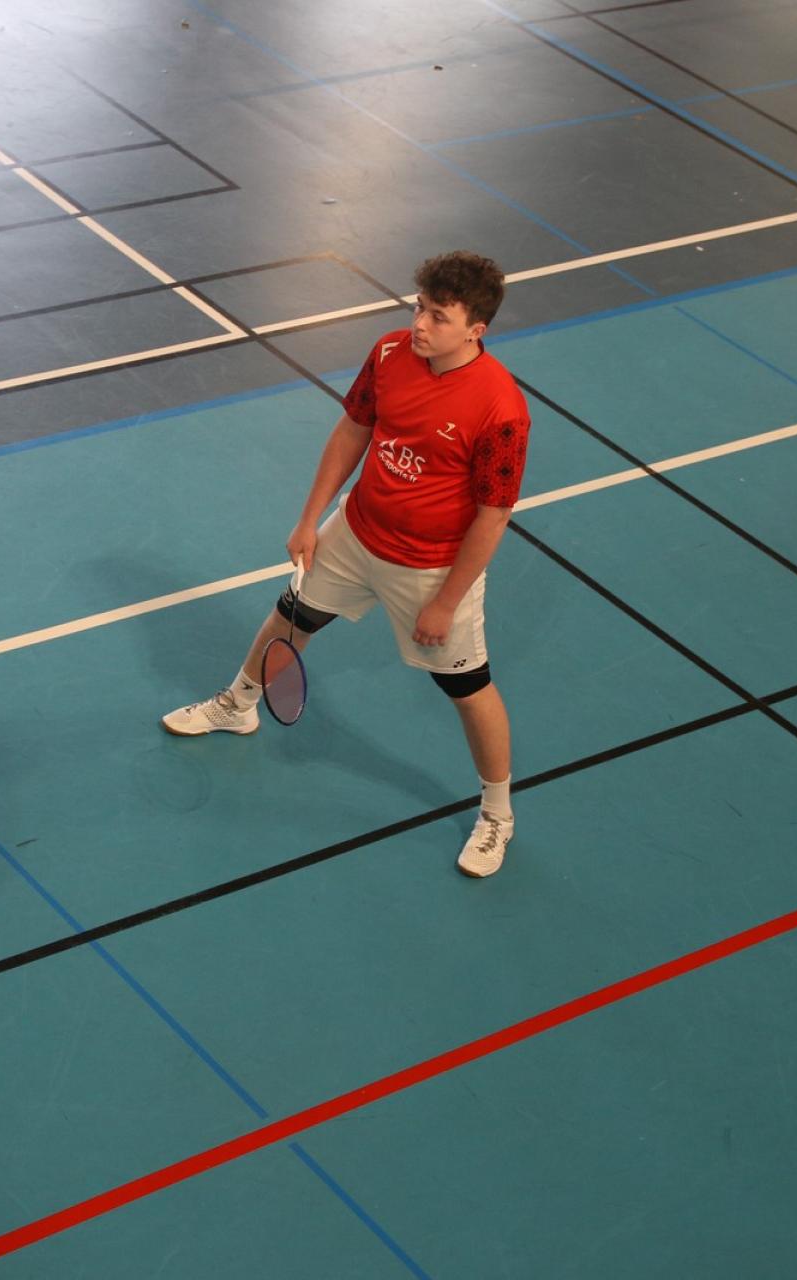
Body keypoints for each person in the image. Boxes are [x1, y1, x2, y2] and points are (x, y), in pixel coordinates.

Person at [161, 251, 530, 878]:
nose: (419, 324)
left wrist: (445, 601)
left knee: (467, 690)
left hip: (430, 568)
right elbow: (353, 430)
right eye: (419, 308)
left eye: (438, 317)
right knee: (290, 618)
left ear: (476, 330)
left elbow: (492, 517)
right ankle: (239, 704)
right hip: (356, 532)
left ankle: (497, 813)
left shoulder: (501, 410)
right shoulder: (389, 353)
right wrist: (310, 519)